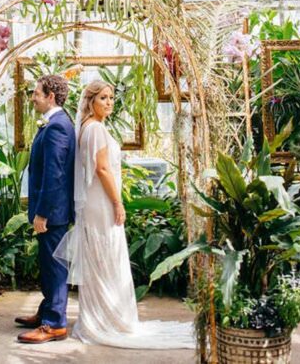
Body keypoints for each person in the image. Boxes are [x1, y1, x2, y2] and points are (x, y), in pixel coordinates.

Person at [55, 79, 195, 349]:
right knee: (108, 254)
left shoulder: (86, 127)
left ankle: (99, 316)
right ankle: (108, 319)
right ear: (90, 102)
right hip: (102, 202)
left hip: (95, 202)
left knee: (102, 255)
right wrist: (118, 203)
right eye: (103, 98)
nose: (109, 102)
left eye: (110, 97)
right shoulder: (94, 129)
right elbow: (102, 169)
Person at [16, 74, 76, 344]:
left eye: (36, 93)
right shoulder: (54, 123)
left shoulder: (58, 127)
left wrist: (43, 213)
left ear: (50, 95)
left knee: (54, 267)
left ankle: (55, 324)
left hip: (53, 212)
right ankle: (46, 312)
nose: (32, 97)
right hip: (52, 210)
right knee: (48, 264)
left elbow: (55, 174)